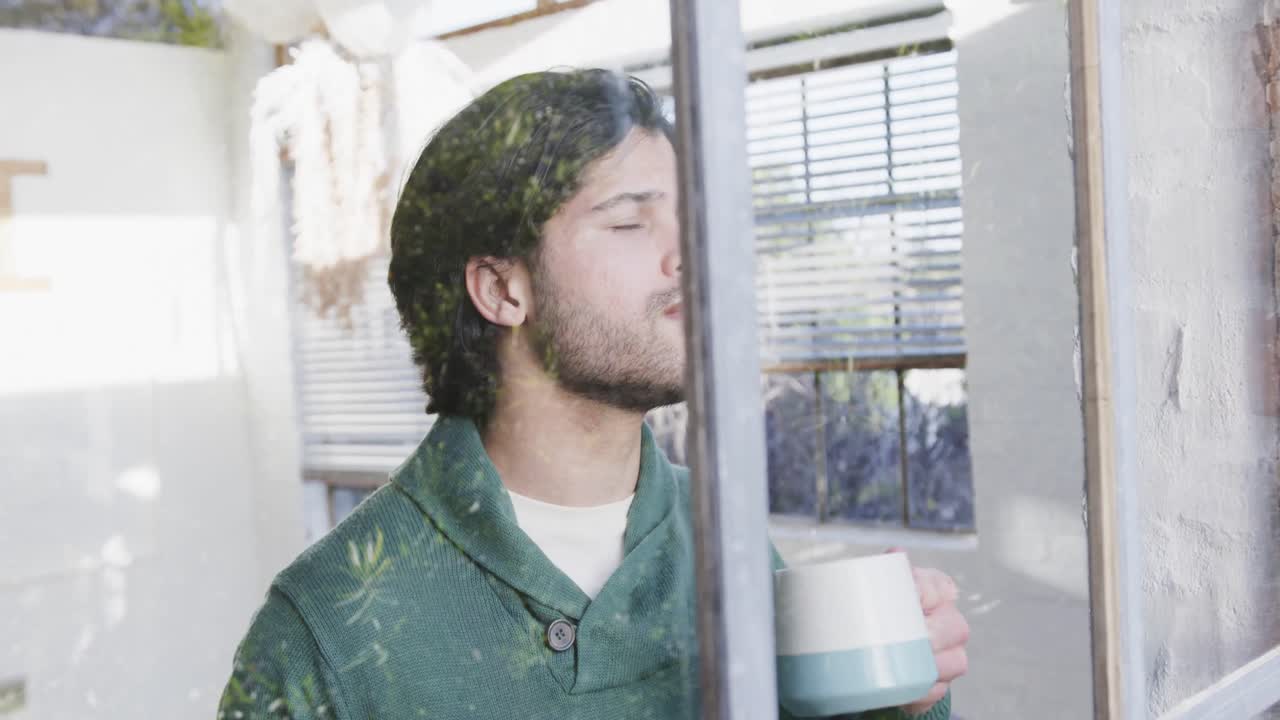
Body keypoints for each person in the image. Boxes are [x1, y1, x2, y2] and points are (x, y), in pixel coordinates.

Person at [218, 69, 968, 720]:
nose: (690, 254)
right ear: (502, 288)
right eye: (631, 222)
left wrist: (908, 705)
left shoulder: (722, 541)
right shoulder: (324, 631)